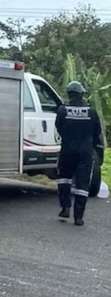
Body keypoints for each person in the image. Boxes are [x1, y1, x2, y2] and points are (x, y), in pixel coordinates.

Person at [55, 81, 103, 226]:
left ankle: (65, 208)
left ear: (69, 94)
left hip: (67, 149)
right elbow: (97, 132)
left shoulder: (63, 110)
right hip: (85, 151)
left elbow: (59, 127)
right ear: (82, 93)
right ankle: (78, 217)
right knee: (82, 184)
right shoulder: (91, 112)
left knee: (64, 178)